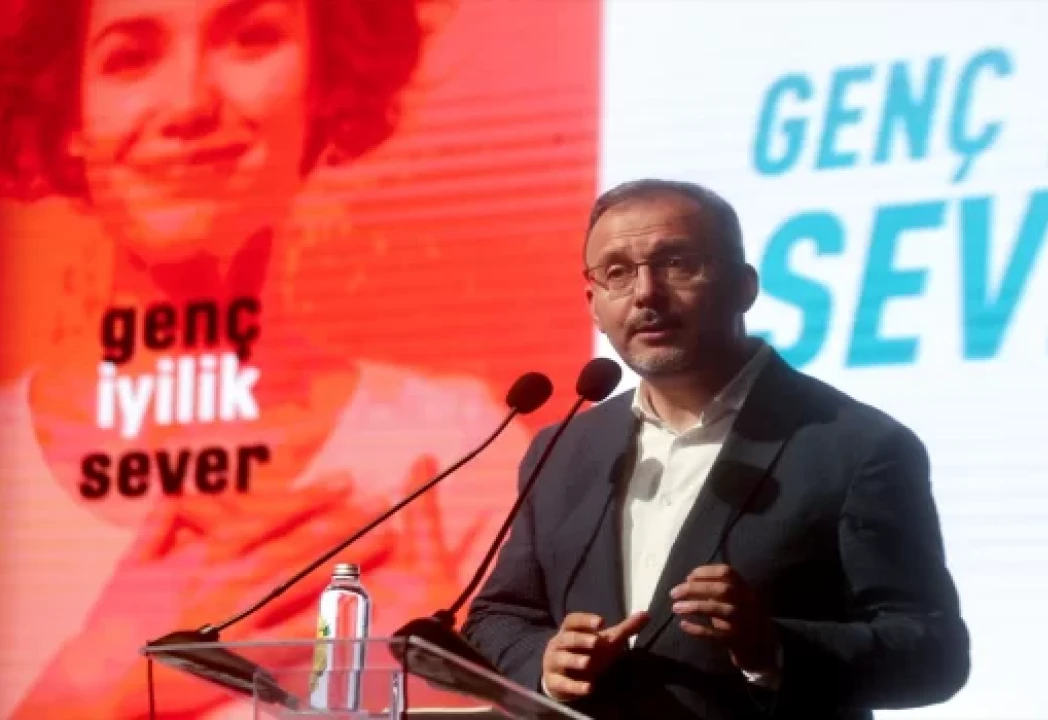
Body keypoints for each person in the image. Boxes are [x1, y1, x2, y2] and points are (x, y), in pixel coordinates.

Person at [0, 0, 528, 718]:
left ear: (325, 85)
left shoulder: (458, 453)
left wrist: (444, 695)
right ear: (70, 116)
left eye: (249, 40)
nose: (188, 105)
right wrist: (98, 682)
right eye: (130, 57)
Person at [461, 179, 970, 719]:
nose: (645, 294)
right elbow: (498, 615)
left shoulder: (858, 446)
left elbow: (932, 654)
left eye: (677, 263)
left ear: (744, 287)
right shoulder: (564, 448)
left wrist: (773, 647)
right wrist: (545, 663)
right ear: (593, 304)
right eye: (617, 272)